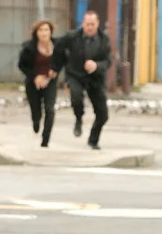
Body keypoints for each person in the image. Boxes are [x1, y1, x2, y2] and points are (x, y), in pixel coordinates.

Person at [52, 11, 112, 150]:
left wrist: (96, 65)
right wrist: (56, 67)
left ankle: (93, 140)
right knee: (76, 97)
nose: (90, 27)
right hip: (75, 75)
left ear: (97, 24)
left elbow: (108, 61)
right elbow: (58, 47)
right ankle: (78, 119)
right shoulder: (72, 37)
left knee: (103, 114)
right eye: (87, 24)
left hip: (95, 78)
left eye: (92, 24)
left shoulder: (104, 40)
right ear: (82, 24)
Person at [18, 20, 58, 148]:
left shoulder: (57, 46)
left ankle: (45, 140)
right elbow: (22, 65)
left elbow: (63, 61)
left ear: (51, 31)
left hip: (50, 82)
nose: (44, 33)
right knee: (36, 110)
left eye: (46, 30)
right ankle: (36, 121)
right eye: (41, 30)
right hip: (33, 83)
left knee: (50, 109)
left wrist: (55, 70)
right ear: (36, 33)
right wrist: (35, 76)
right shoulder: (29, 47)